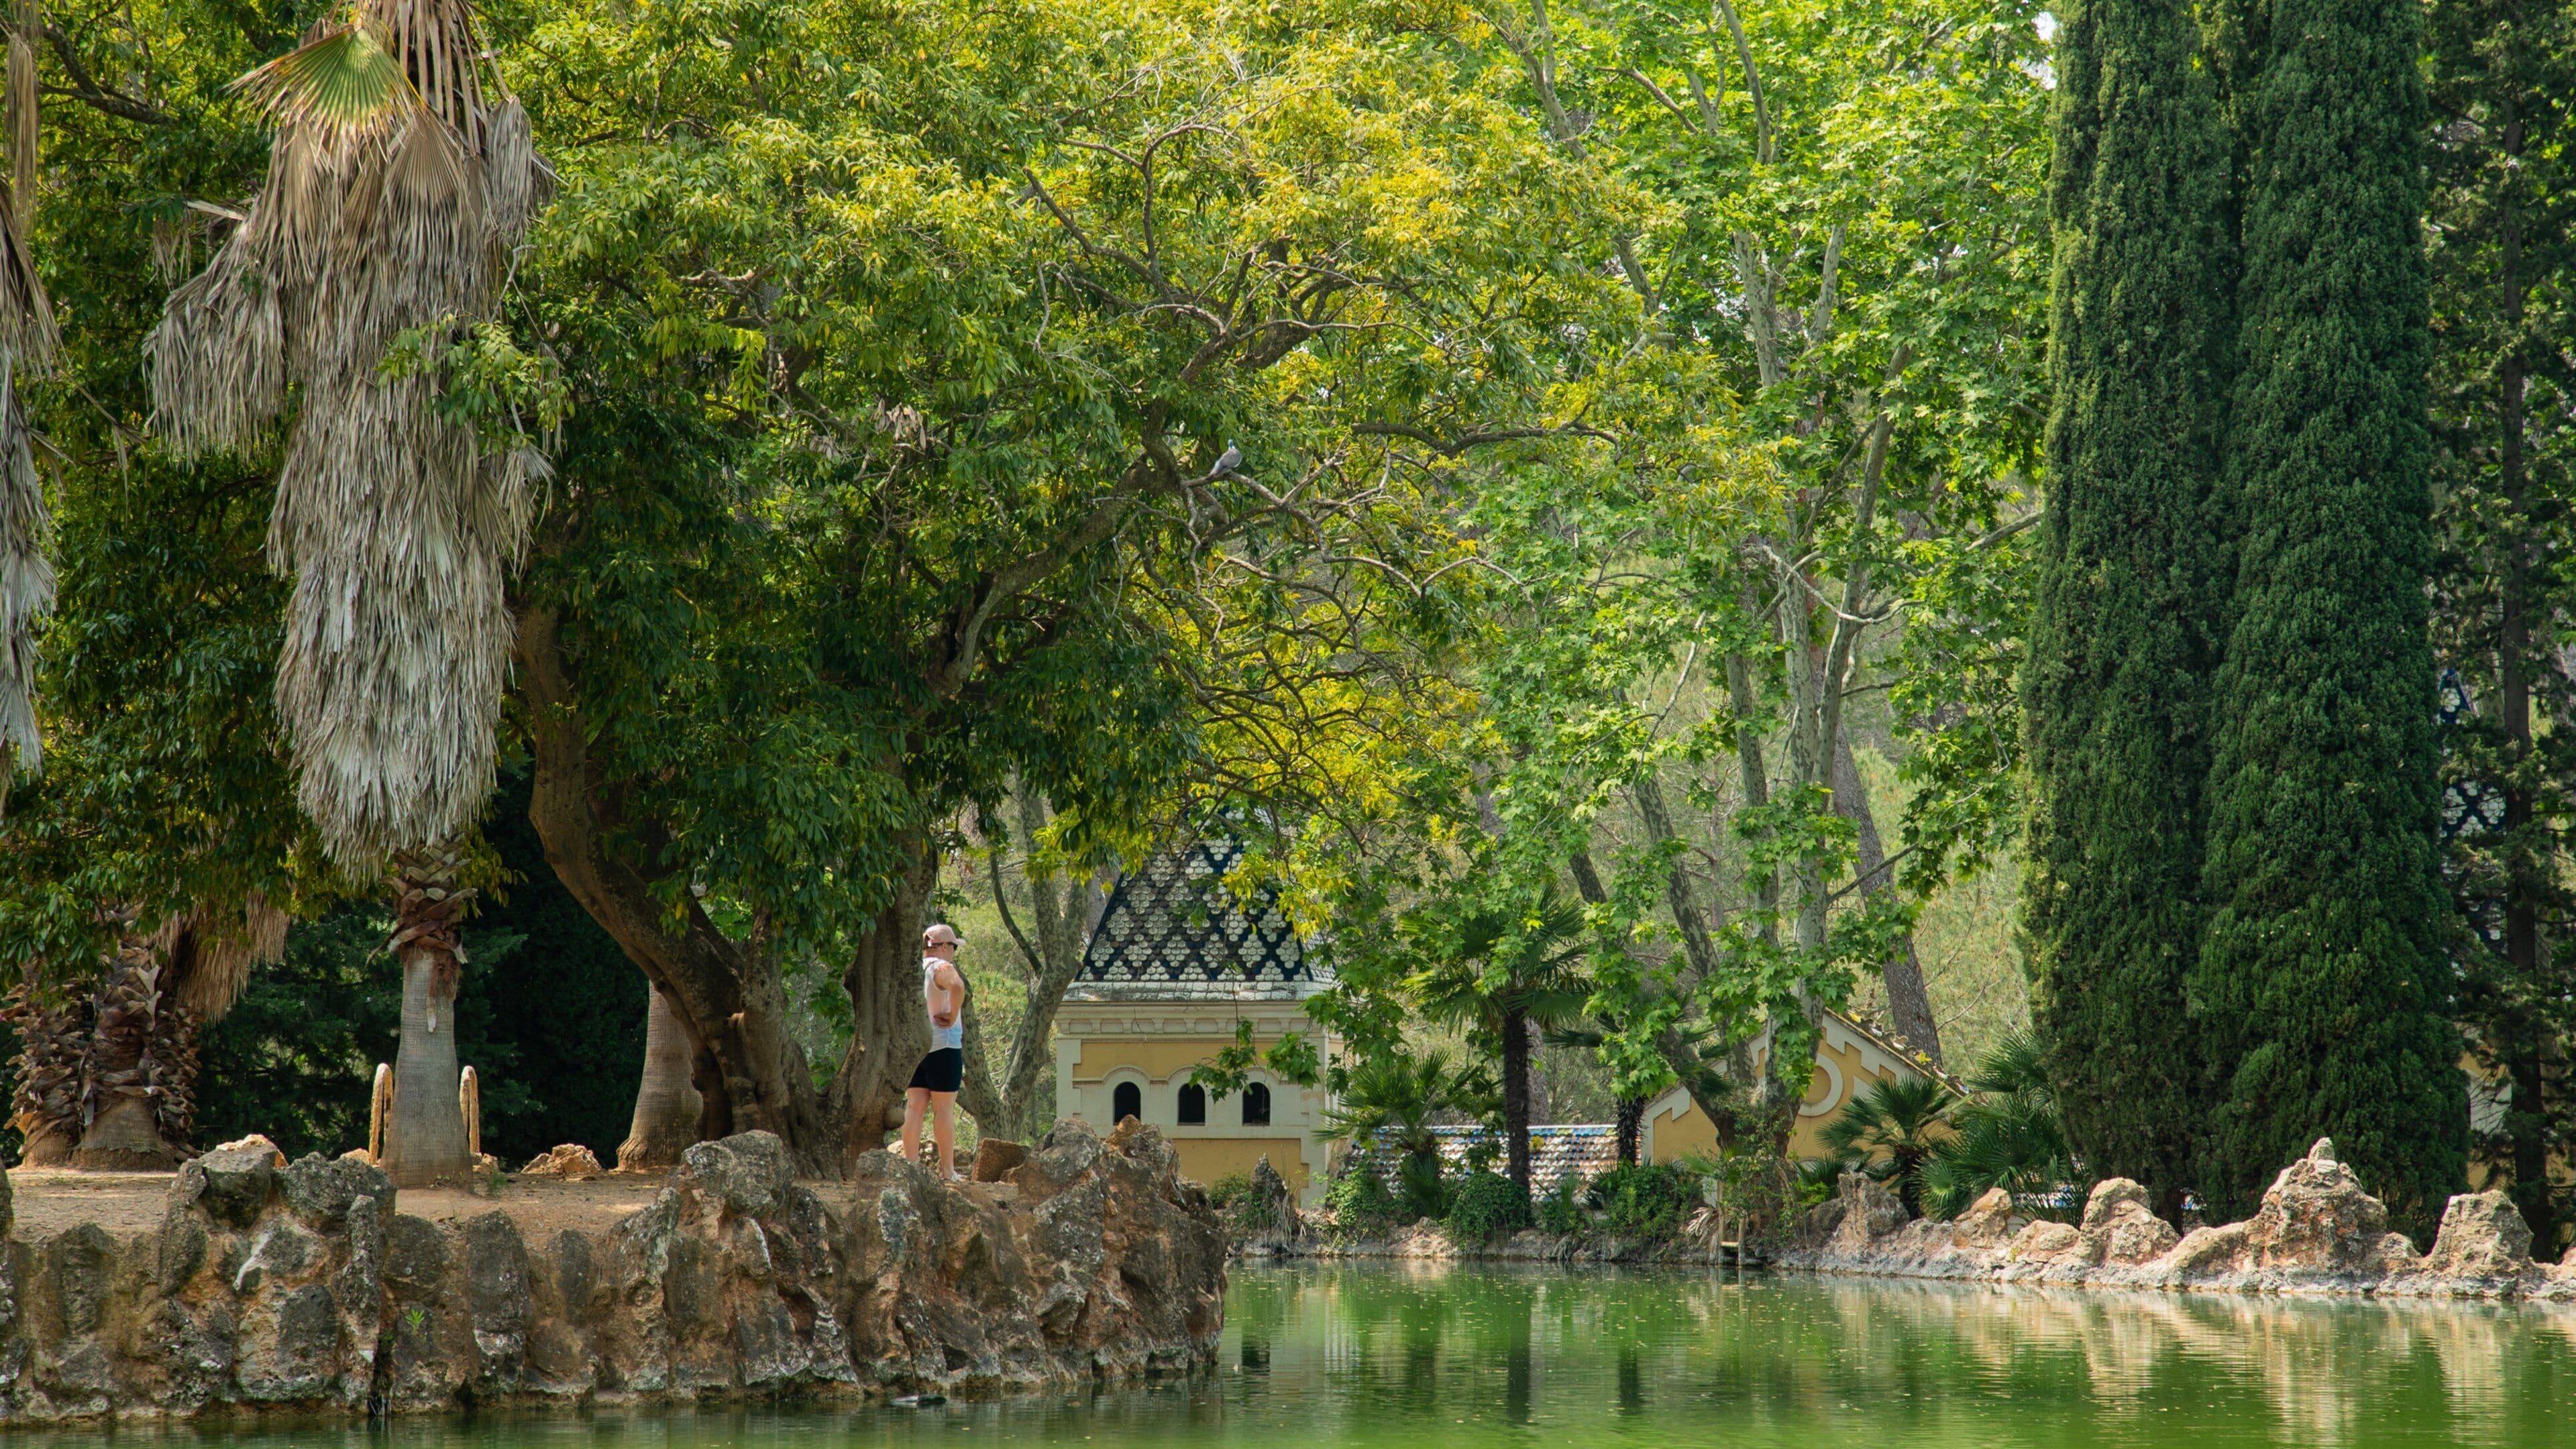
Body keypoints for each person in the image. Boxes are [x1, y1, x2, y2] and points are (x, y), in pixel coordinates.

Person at [901, 922, 969, 1180]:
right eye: (952, 946)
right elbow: (958, 987)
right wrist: (952, 1015)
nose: (953, 952)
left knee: (915, 1105)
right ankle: (948, 1171)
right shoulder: (942, 968)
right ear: (942, 947)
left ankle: (910, 1168)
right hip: (944, 1044)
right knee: (944, 1109)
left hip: (918, 1045)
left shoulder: (914, 970)